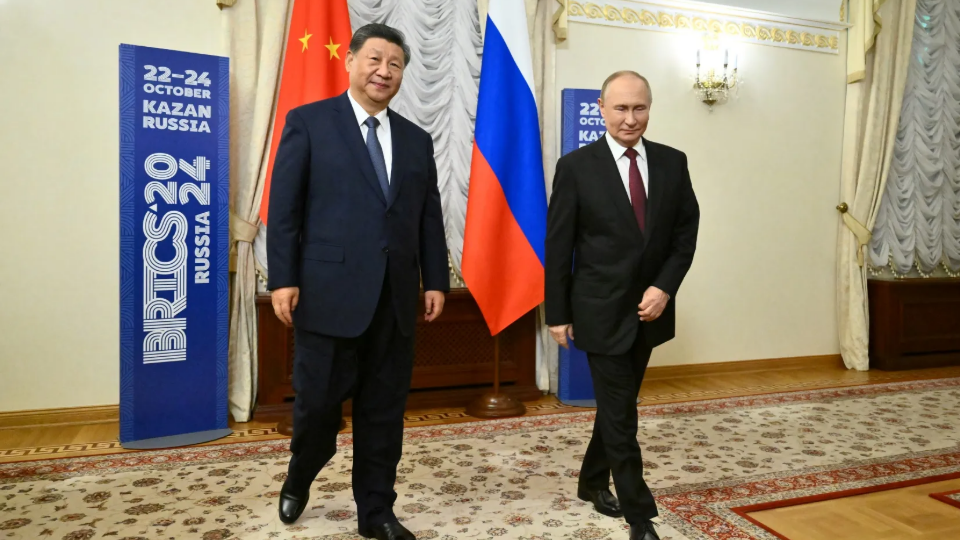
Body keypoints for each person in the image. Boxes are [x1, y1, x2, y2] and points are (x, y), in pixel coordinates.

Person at [266, 23, 449, 540]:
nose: (383, 71)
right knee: (318, 408)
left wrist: (434, 277)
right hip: (326, 295)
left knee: (383, 411)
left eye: (394, 64)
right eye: (374, 59)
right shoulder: (309, 122)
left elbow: (427, 216)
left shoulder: (416, 139)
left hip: (394, 298)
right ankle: (302, 471)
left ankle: (377, 512)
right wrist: (283, 278)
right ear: (349, 60)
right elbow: (285, 210)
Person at [544, 71, 700, 540]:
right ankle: (639, 515)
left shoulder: (673, 162)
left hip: (650, 312)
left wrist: (665, 288)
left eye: (639, 108)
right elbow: (558, 247)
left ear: (649, 108)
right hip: (597, 311)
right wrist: (557, 313)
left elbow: (684, 236)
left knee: (618, 406)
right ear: (601, 108)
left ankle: (591, 482)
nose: (630, 118)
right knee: (622, 415)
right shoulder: (576, 167)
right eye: (620, 109)